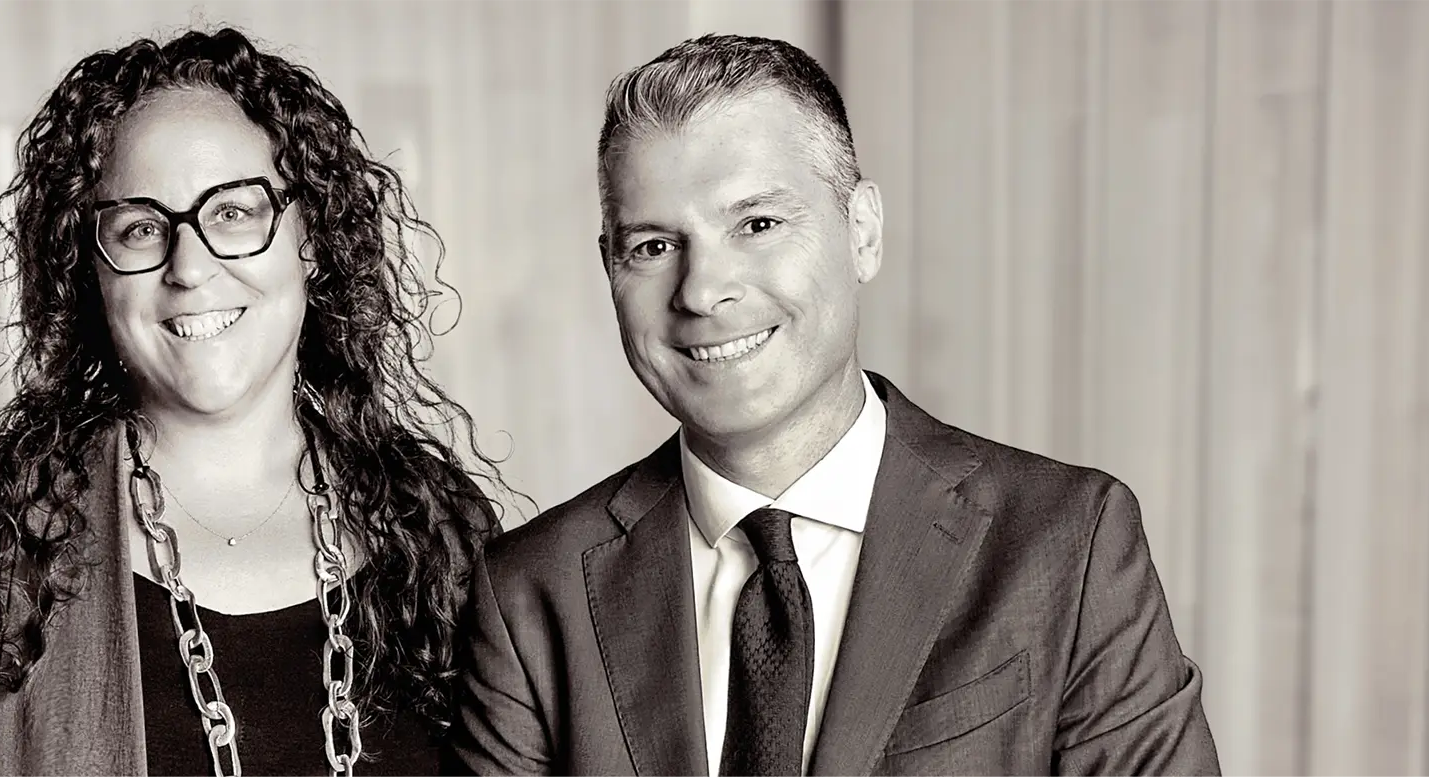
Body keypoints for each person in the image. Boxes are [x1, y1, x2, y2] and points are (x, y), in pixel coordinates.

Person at [447, 35, 1219, 777]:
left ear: (863, 232)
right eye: (653, 246)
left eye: (757, 224)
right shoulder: (531, 596)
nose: (703, 290)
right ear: (609, 268)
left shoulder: (1067, 542)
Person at [0, 27, 507, 777]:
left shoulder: (442, 536)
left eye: (233, 212)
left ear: (311, 239)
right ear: (92, 271)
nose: (190, 267)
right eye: (141, 228)